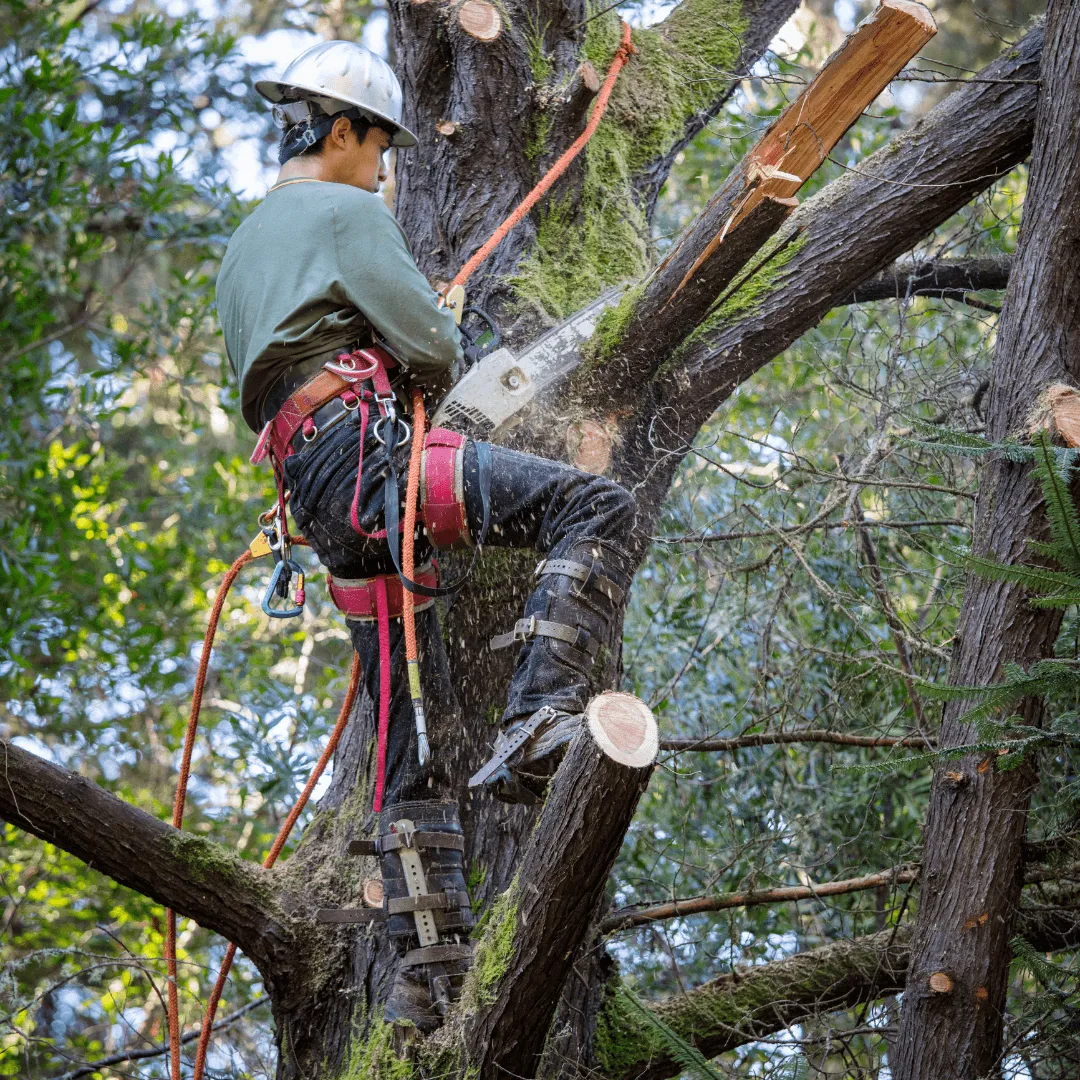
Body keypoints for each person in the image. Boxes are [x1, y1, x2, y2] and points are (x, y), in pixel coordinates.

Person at [216, 40, 635, 1029]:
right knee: (597, 507)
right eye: (379, 147)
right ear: (345, 128)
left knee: (413, 755)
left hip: (323, 503)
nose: (386, 169)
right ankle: (541, 714)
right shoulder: (346, 210)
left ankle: (424, 978)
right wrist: (445, 342)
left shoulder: (246, 248)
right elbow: (433, 344)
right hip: (367, 461)